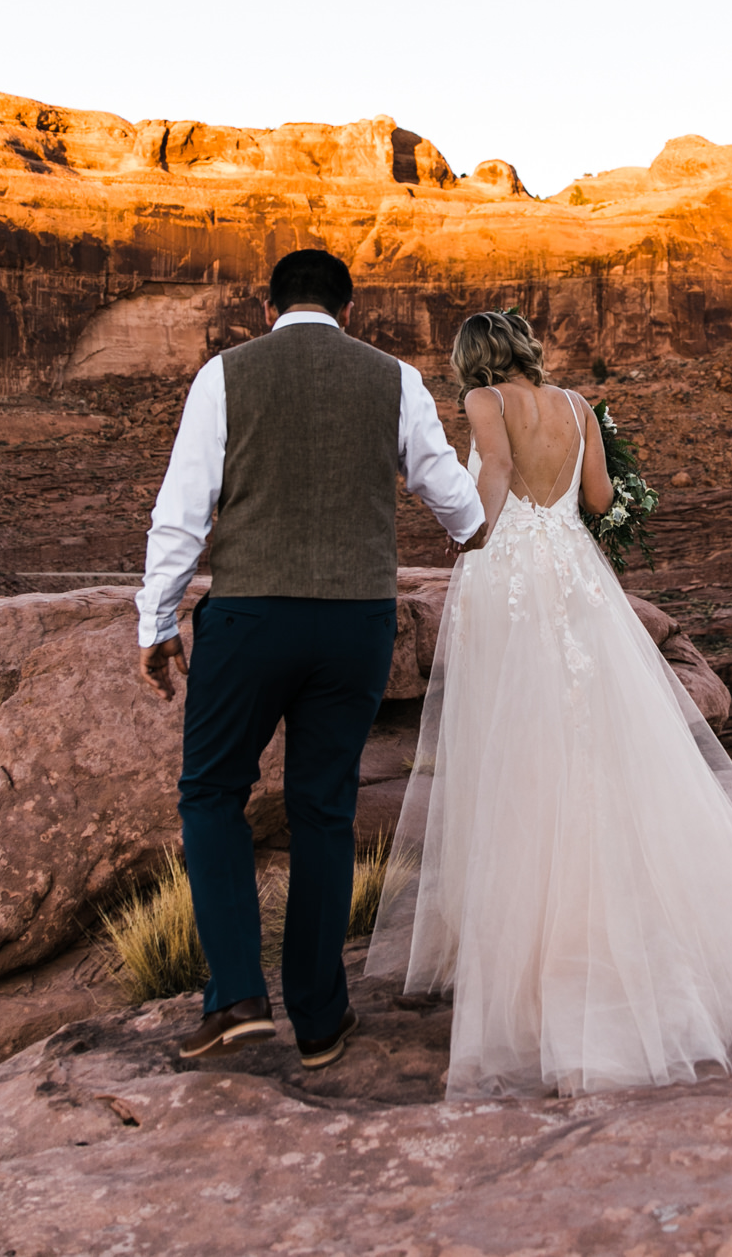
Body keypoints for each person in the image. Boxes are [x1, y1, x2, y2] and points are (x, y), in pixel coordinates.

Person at [367, 310, 732, 1098]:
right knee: (600, 744)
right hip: (577, 573)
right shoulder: (578, 406)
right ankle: (626, 936)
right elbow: (600, 493)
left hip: (510, 572)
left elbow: (495, 478)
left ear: (475, 358)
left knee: (514, 750)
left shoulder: (485, 401)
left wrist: (465, 540)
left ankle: (538, 966)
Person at [136, 249, 483, 1070]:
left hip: (252, 619)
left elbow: (181, 513)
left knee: (213, 792)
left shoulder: (226, 375)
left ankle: (237, 997)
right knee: (323, 809)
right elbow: (459, 509)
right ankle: (322, 1018)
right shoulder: (394, 377)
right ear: (349, 311)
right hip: (359, 623)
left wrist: (156, 623)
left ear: (268, 309)